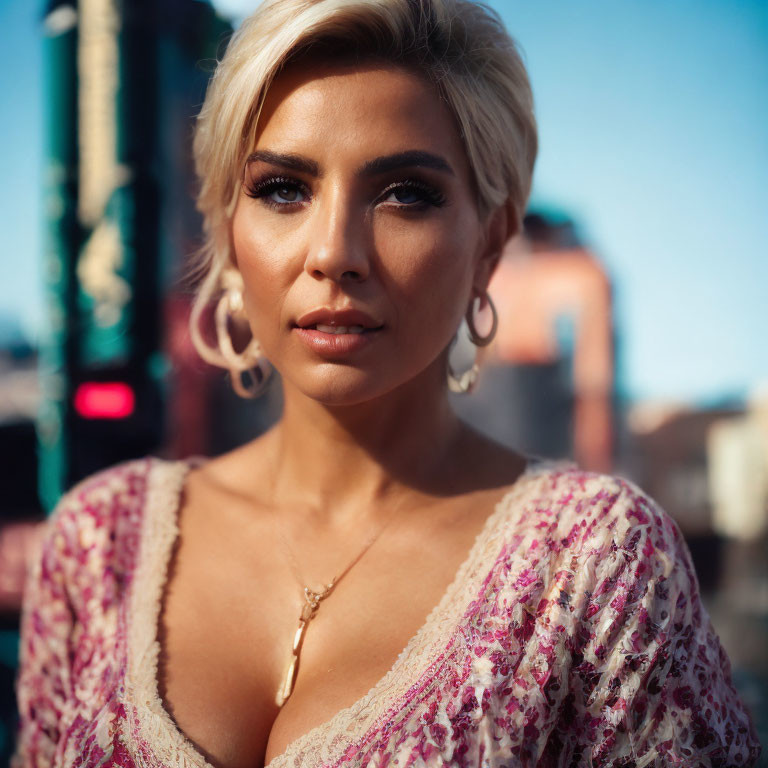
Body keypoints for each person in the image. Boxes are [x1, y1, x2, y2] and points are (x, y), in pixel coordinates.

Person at [11, 0, 761, 766]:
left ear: (489, 244)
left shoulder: (595, 563)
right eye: (282, 189)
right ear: (229, 235)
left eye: (404, 193)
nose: (335, 252)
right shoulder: (100, 542)